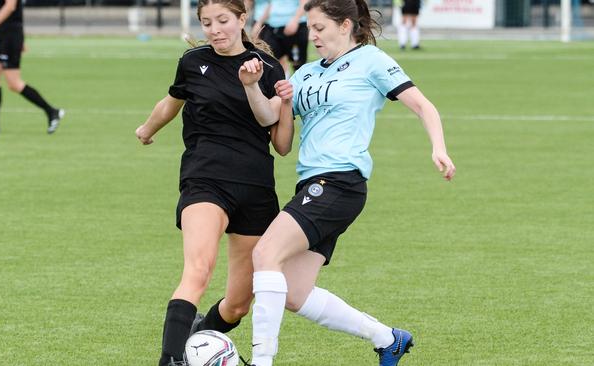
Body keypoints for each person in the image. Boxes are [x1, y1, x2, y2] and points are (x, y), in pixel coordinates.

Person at [242, 0, 456, 365]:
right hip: (311, 184)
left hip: (340, 181)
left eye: (320, 28)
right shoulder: (306, 72)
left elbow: (424, 105)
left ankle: (262, 361)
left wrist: (439, 147)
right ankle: (388, 339)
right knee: (294, 294)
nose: (314, 36)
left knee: (264, 254)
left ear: (345, 26)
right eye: (311, 28)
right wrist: (251, 86)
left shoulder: (370, 60)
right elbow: (273, 121)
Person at [133, 0, 292, 364]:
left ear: (241, 19)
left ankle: (194, 342)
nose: (214, 29)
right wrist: (147, 128)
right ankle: (170, 359)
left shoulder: (268, 67)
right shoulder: (193, 62)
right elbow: (170, 103)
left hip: (255, 187)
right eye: (206, 22)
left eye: (222, 21)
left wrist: (284, 102)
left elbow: (281, 144)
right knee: (199, 270)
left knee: (238, 304)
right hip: (205, 178)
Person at [0, 0, 64, 135]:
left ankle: (52, 111)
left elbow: (10, 6)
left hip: (10, 37)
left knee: (14, 83)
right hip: (3, 35)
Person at [248, 0, 309, 76]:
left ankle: (301, 86)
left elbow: (305, 2)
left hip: (295, 26)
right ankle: (283, 82)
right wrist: (259, 23)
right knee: (271, 61)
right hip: (273, 27)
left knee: (297, 63)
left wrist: (295, 19)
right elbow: (270, 4)